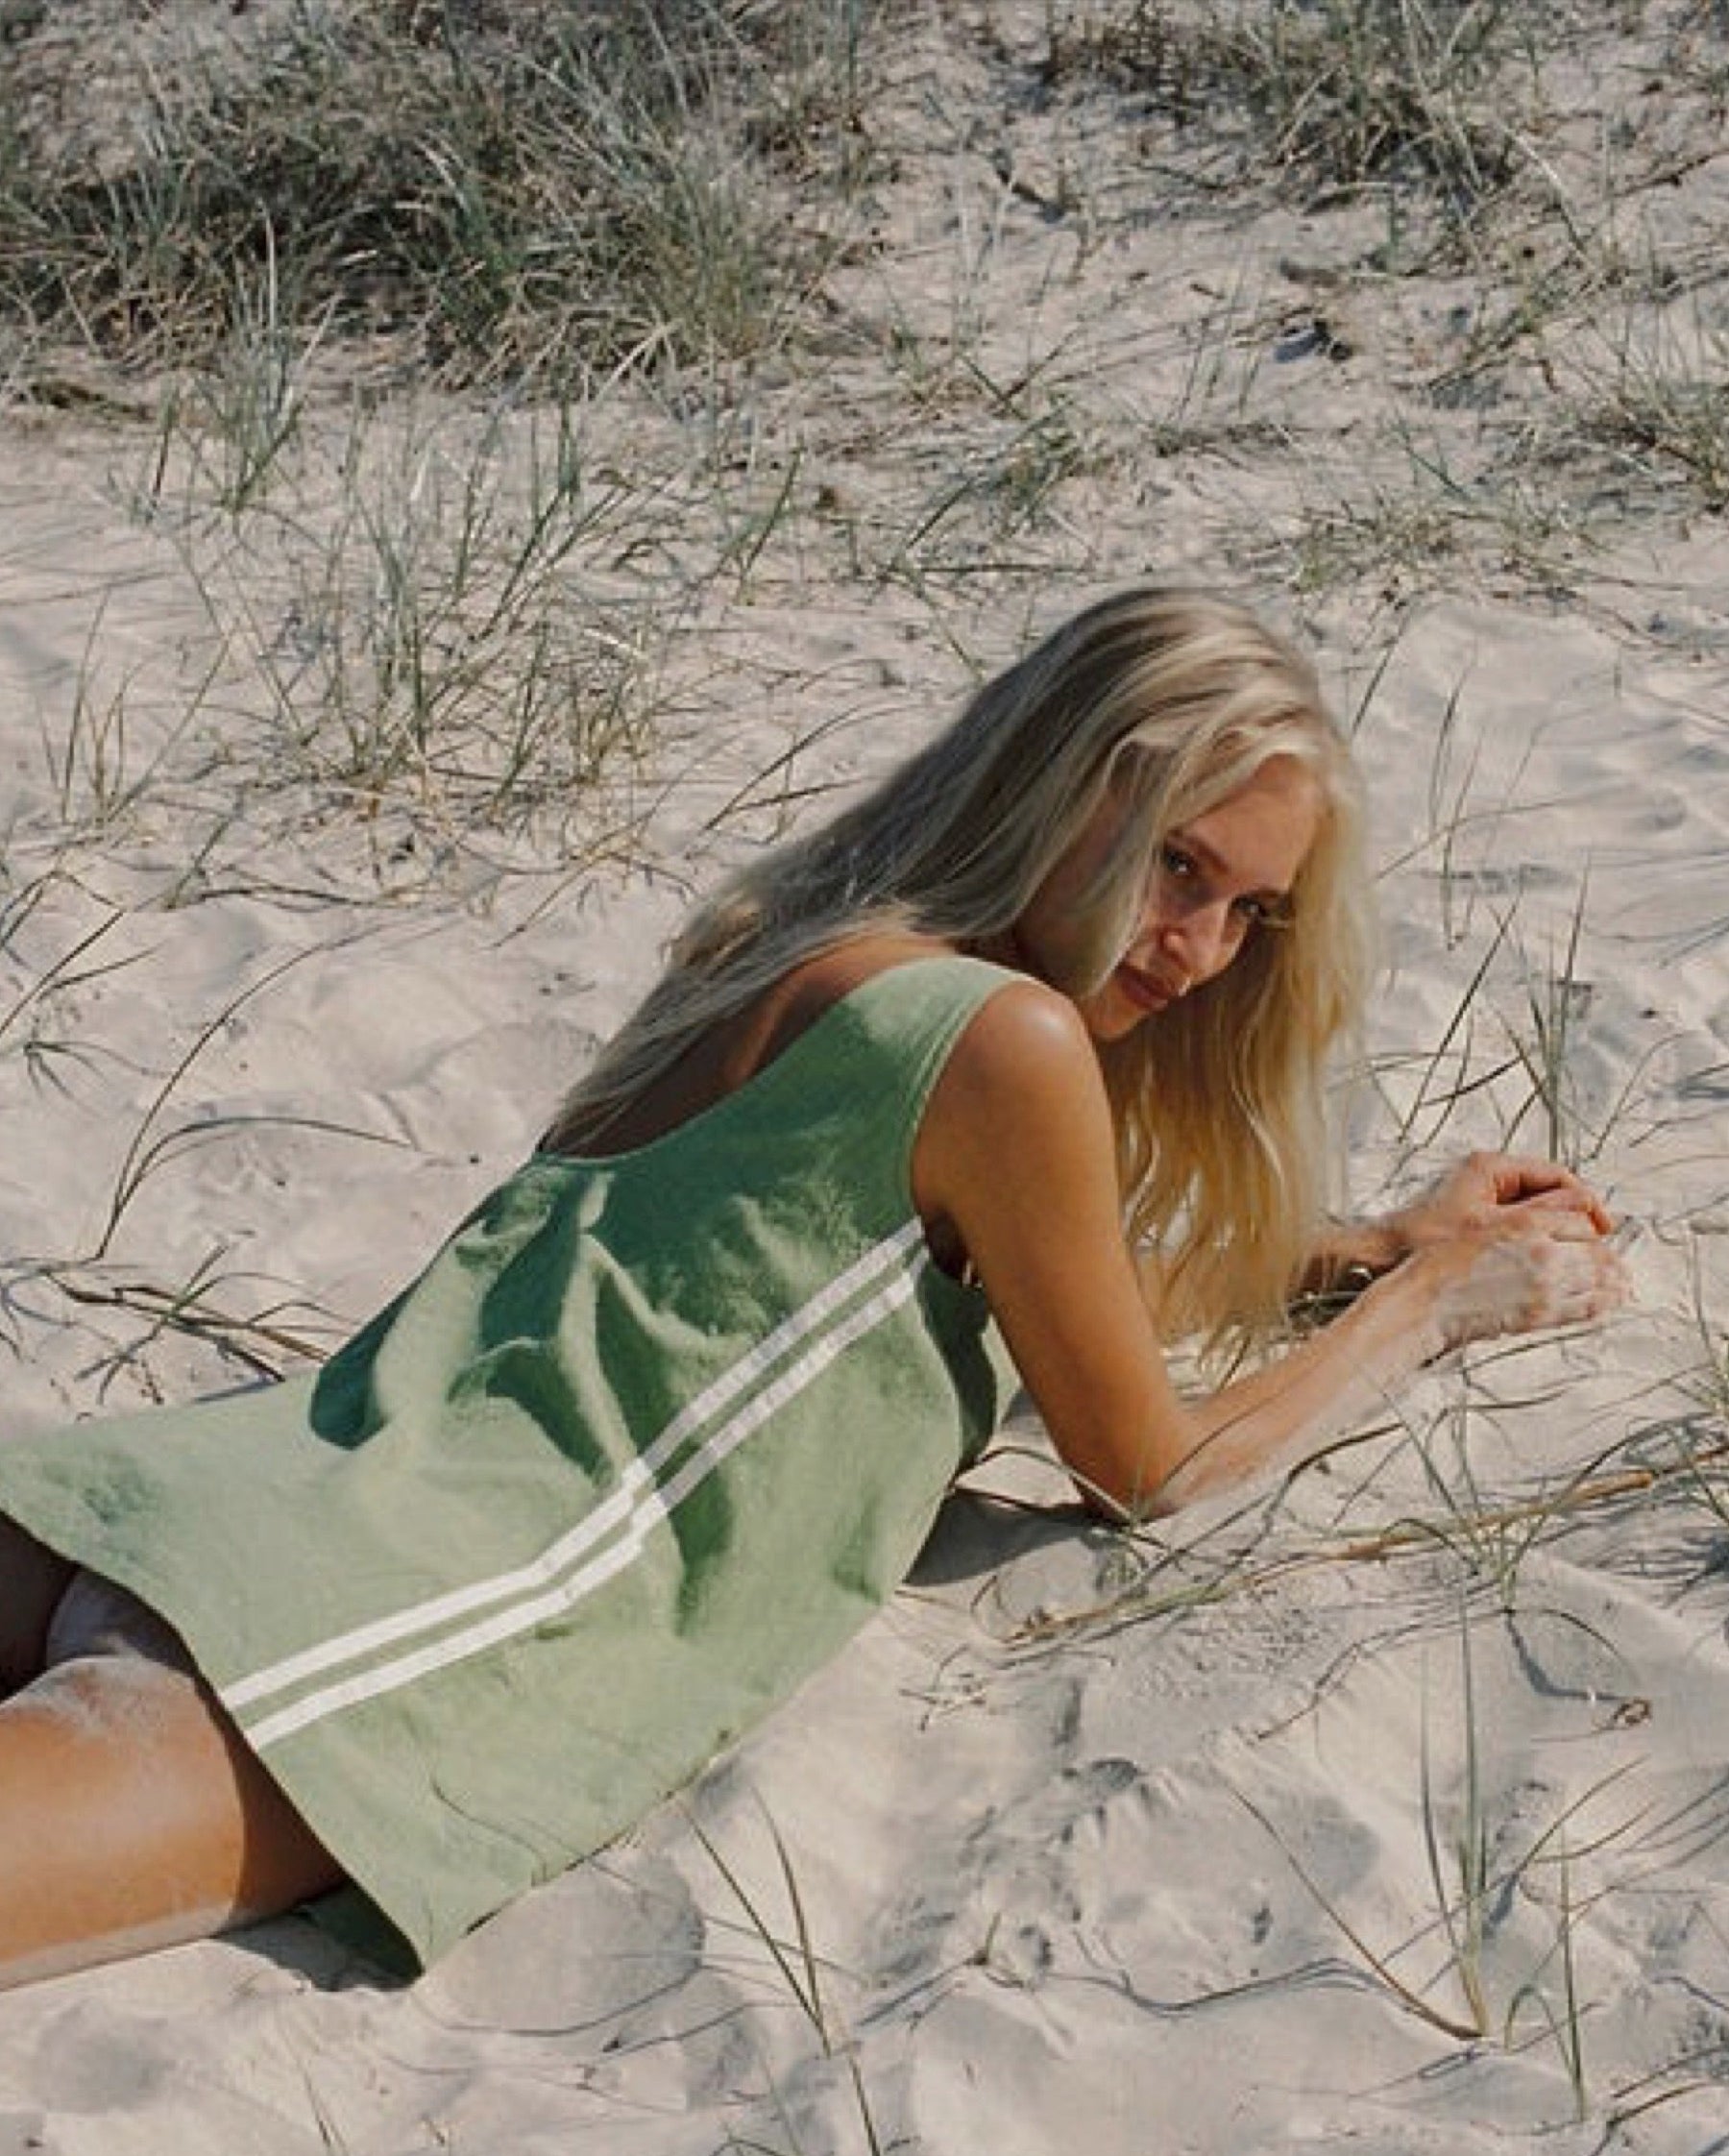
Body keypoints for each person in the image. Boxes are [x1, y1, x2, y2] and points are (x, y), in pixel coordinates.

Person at [0, 586, 1621, 1991]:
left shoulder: (810, 950)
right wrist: (1432, 1310)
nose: (1200, 947)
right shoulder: (1008, 1043)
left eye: (1247, 911)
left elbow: (1031, 1283)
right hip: (410, 1610)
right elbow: (1151, 1463)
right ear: (1066, 791)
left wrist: (1366, 1246)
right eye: (1178, 868)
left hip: (233, 1482)